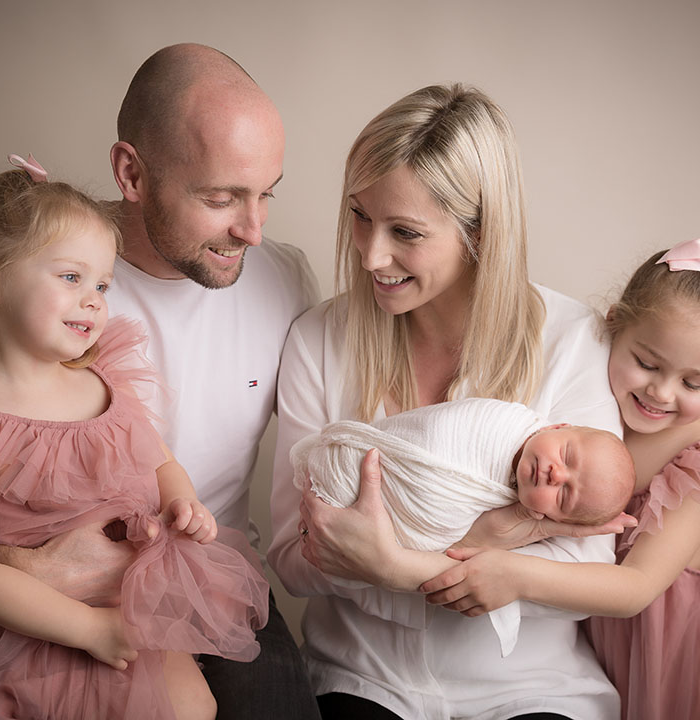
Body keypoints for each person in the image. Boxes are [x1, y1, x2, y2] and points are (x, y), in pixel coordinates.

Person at [0, 44, 321, 718]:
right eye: (221, 197)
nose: (254, 229)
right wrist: (27, 572)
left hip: (208, 584)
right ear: (131, 172)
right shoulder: (27, 299)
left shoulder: (285, 280)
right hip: (47, 619)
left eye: (268, 193)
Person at [269, 84, 632, 720]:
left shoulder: (575, 341)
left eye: (404, 232)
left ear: (480, 231)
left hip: (532, 688)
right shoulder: (318, 340)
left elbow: (582, 578)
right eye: (359, 215)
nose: (369, 254)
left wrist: (392, 565)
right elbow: (292, 560)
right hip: (361, 679)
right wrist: (487, 543)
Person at [0, 155, 270, 718]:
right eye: (71, 278)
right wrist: (89, 628)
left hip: (128, 603)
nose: (94, 299)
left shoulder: (100, 376)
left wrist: (182, 498)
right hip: (36, 629)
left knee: (191, 707)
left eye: (103, 284)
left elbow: (157, 457)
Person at [421, 236, 700, 720]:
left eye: (692, 383)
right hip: (603, 653)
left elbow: (635, 589)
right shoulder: (585, 412)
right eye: (646, 363)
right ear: (613, 324)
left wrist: (514, 575)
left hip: (676, 658)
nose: (660, 391)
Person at [294, 398, 636, 549]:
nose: (555, 475)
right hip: (352, 464)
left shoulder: (510, 511)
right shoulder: (500, 423)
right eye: (566, 455)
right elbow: (434, 432)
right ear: (558, 426)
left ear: (545, 514)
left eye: (564, 495)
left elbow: (439, 533)